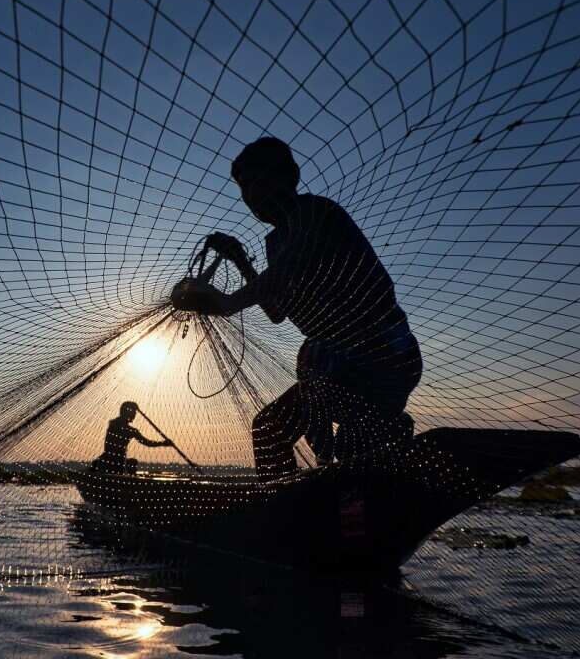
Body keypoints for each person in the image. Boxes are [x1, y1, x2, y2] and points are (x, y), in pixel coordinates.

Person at [172, 137, 422, 479]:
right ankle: (290, 511)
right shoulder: (275, 242)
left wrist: (228, 302)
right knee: (270, 430)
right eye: (244, 189)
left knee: (353, 453)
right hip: (335, 364)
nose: (252, 197)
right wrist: (240, 259)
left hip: (383, 356)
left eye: (259, 181)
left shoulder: (315, 212)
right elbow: (278, 310)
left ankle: (387, 430)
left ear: (289, 176)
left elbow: (287, 269)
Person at [92, 401, 172, 474]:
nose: (135, 415)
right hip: (113, 463)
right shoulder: (123, 428)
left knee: (132, 462)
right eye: (133, 412)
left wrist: (163, 443)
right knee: (131, 463)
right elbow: (147, 442)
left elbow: (147, 442)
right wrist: (163, 443)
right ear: (128, 413)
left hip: (110, 461)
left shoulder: (114, 425)